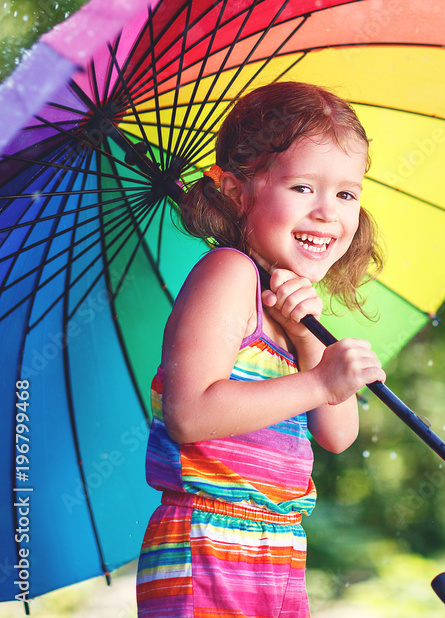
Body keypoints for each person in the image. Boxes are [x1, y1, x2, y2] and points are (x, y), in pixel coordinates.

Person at [136, 81, 386, 617]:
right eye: (302, 188)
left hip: (277, 548)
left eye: (346, 193)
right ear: (237, 192)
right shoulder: (228, 274)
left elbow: (338, 435)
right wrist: (319, 381)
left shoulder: (295, 310)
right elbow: (189, 414)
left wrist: (305, 338)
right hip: (205, 548)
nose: (327, 212)